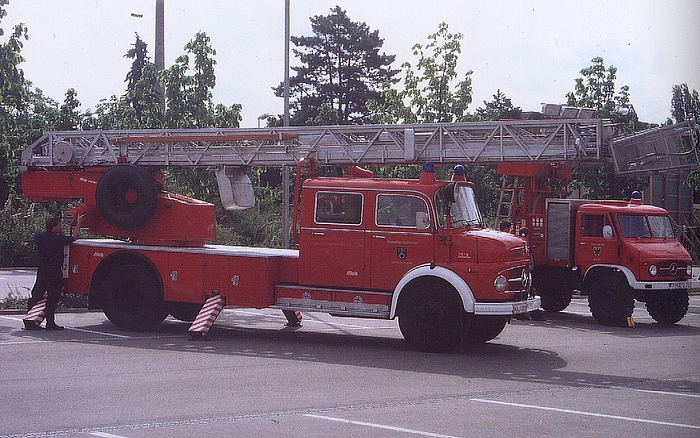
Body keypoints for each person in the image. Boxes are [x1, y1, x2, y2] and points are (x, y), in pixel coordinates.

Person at [24, 213, 84, 330]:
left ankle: (29, 321)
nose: (61, 226)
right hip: (54, 272)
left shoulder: (39, 236)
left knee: (36, 295)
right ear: (54, 227)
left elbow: (51, 236)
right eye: (59, 225)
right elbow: (74, 237)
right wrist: (79, 223)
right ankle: (50, 323)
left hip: (42, 271)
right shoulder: (58, 239)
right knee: (52, 298)